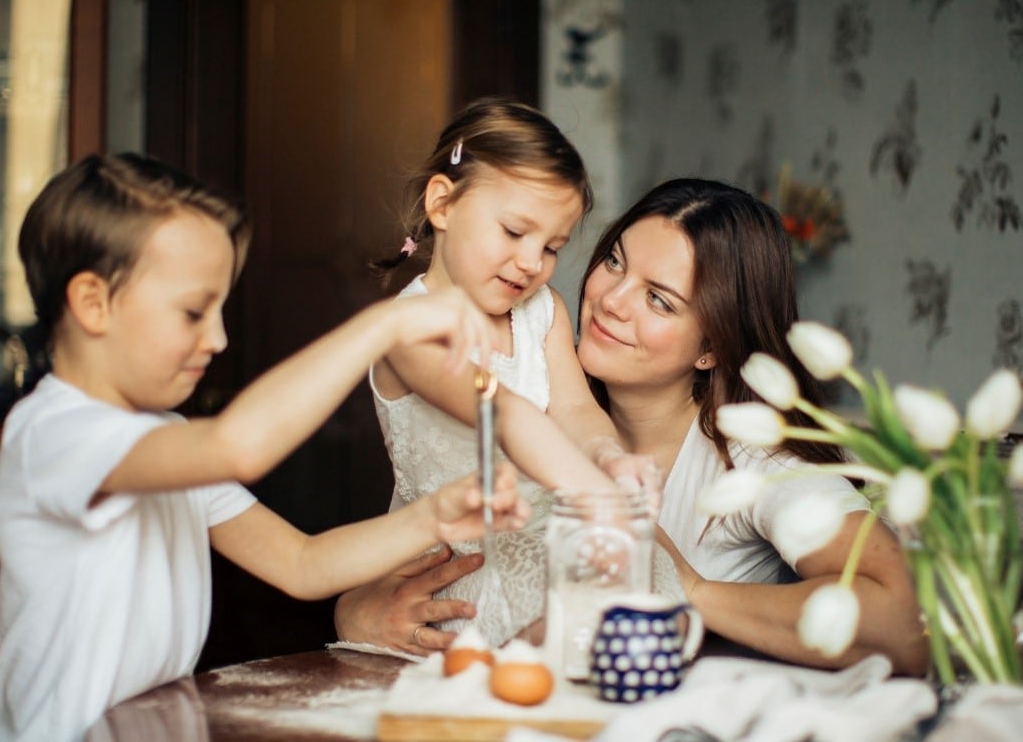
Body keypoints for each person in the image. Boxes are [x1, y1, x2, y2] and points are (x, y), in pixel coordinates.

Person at [0, 153, 529, 742]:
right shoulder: (56, 434)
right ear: (94, 302)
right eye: (194, 311)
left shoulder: (167, 440)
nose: (217, 338)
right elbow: (237, 447)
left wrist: (432, 517)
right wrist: (384, 325)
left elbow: (302, 564)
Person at [336, 177, 929, 676]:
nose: (612, 301)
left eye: (660, 301)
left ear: (713, 347)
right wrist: (358, 611)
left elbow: (903, 626)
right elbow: (419, 551)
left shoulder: (752, 461)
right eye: (614, 262)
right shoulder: (529, 395)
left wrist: (690, 590)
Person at [344, 97, 663, 651]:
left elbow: (575, 409)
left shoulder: (544, 313)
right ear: (442, 205)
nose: (530, 263)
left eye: (552, 248)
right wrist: (593, 492)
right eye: (514, 232)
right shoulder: (407, 328)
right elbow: (502, 411)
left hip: (542, 551)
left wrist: (608, 458)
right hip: (452, 573)